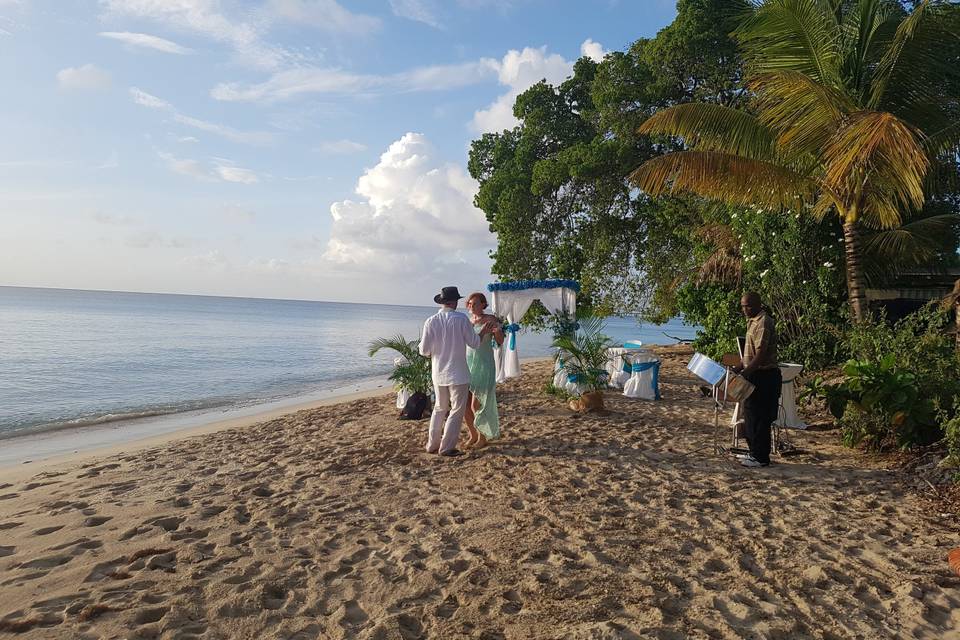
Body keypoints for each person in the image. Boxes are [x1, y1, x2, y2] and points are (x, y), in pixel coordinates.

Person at [418, 286, 487, 457]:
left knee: (439, 408)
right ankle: (446, 447)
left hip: (438, 372)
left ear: (442, 302)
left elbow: (424, 351)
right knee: (456, 410)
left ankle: (432, 445)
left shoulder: (431, 321)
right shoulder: (461, 319)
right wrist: (483, 333)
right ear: (454, 302)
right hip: (458, 372)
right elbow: (474, 343)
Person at [733, 291, 781, 468]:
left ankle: (761, 457)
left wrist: (746, 373)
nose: (745, 309)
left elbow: (760, 355)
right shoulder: (752, 322)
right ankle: (754, 453)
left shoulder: (763, 322)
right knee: (750, 415)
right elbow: (749, 354)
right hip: (755, 373)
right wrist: (736, 369)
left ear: (758, 304)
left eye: (748, 306)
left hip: (764, 375)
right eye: (743, 306)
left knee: (760, 417)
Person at [463, 292, 504, 449]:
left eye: (475, 303)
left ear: (483, 305)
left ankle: (482, 437)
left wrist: (497, 331)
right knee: (464, 404)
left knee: (477, 404)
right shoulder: (467, 321)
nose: (472, 306)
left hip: (484, 364)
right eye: (470, 304)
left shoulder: (490, 320)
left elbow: (500, 342)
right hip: (467, 363)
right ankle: (473, 434)